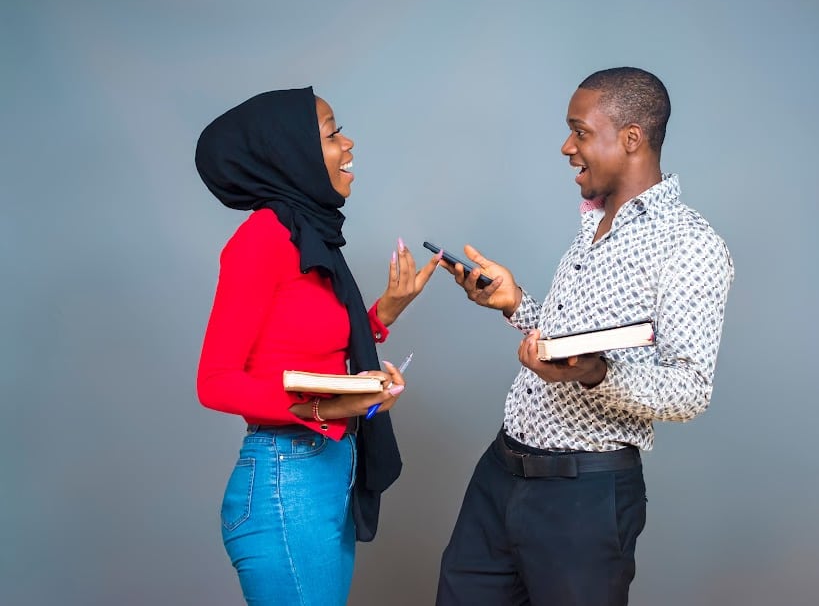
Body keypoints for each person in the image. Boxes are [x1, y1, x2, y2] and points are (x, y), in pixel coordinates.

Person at [435, 67, 734, 605]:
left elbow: (690, 389)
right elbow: (565, 344)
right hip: (500, 474)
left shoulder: (690, 245)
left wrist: (600, 374)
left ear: (631, 139)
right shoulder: (593, 224)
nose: (566, 147)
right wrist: (515, 303)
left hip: (584, 497)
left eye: (579, 131)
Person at [194, 86, 440, 606]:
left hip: (328, 468)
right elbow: (214, 382)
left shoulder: (309, 233)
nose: (347, 143)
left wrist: (385, 312)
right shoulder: (262, 239)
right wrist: (325, 404)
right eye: (330, 133)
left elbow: (309, 344)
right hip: (287, 481)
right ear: (291, 151)